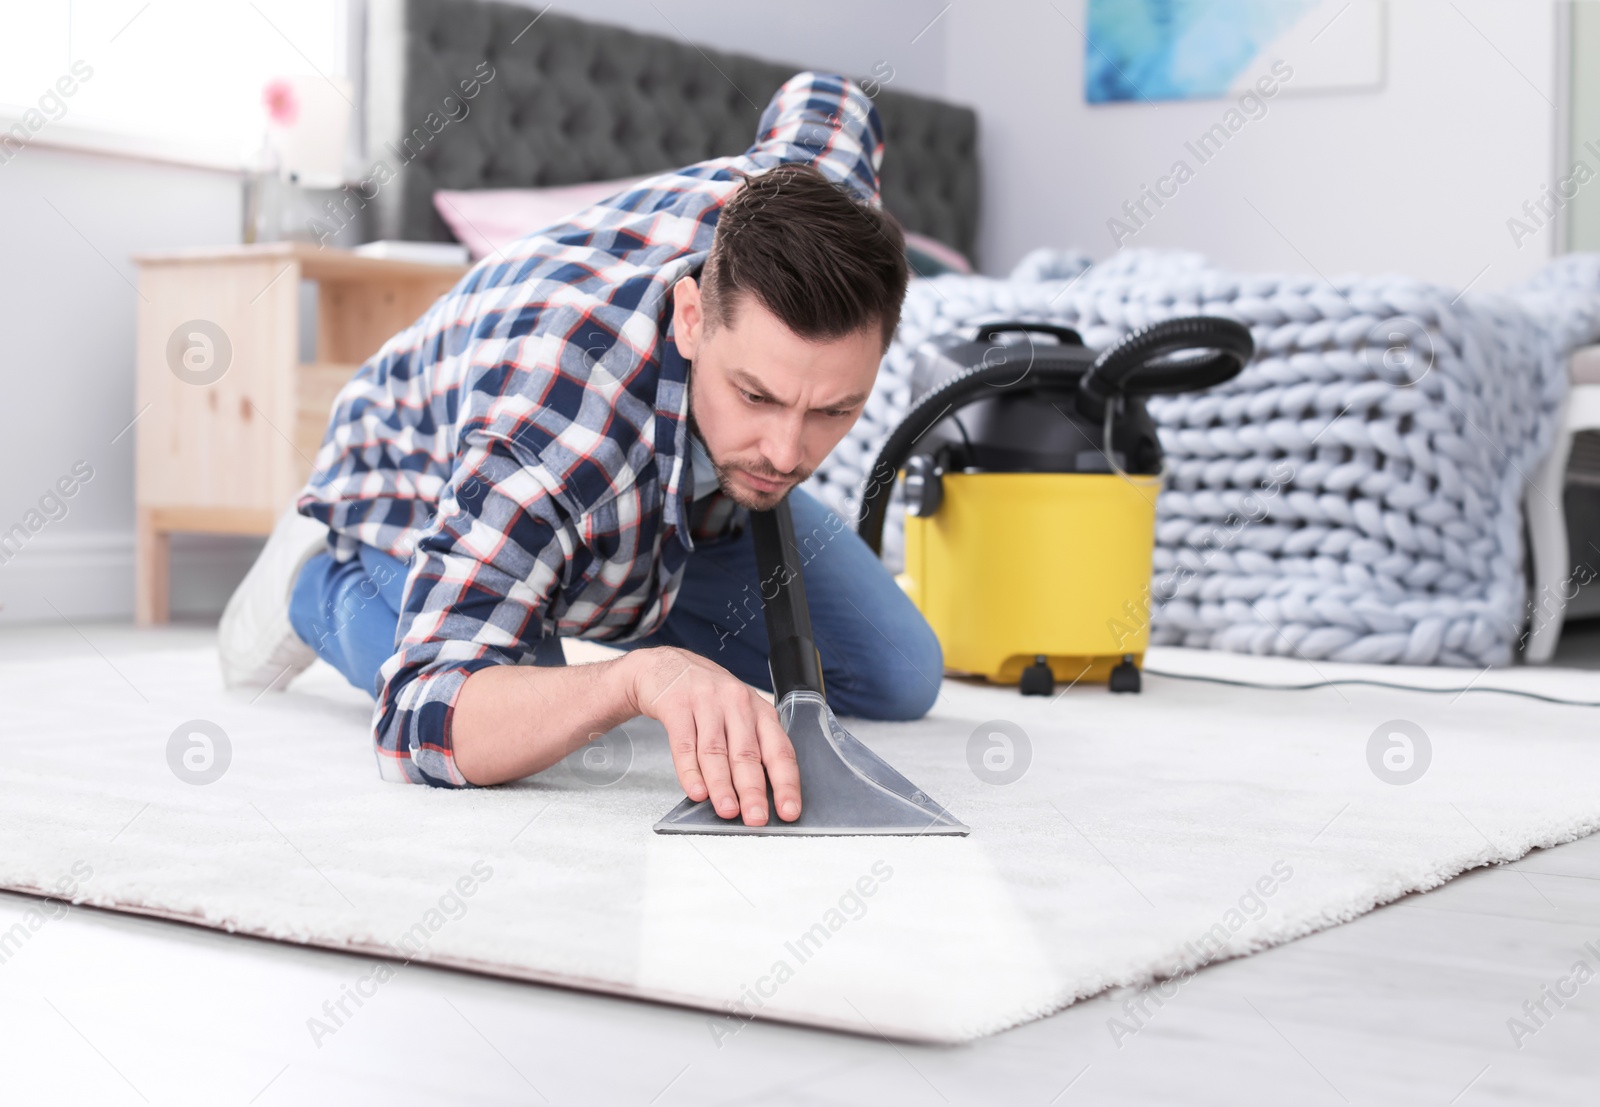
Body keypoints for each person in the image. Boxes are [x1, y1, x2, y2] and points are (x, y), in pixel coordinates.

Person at [217, 71, 942, 827]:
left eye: (833, 409)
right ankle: (314, 582)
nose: (788, 452)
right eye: (756, 395)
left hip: (677, 503)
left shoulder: (824, 204)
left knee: (898, 672)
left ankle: (629, 594)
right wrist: (639, 679)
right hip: (419, 469)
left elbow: (828, 101)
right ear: (691, 317)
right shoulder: (546, 425)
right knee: (523, 720)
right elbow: (421, 718)